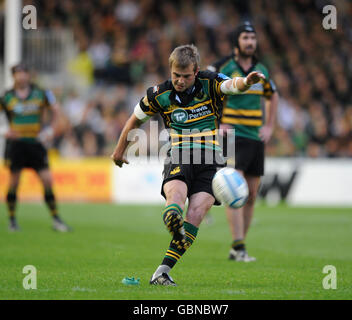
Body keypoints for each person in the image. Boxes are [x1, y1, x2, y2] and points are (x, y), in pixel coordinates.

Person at [111, 44, 265, 285]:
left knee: (195, 215)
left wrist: (246, 82)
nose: (180, 81)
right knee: (176, 197)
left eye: (185, 76)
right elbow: (134, 120)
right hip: (180, 153)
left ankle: (161, 272)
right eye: (175, 75)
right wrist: (119, 151)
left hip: (211, 160)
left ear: (196, 71)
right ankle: (172, 214)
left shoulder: (210, 82)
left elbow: (231, 86)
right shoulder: (158, 94)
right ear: (170, 71)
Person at [208, 22, 278, 262]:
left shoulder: (262, 69)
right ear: (236, 41)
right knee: (233, 188)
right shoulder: (222, 66)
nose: (250, 42)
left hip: (255, 136)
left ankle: (239, 246)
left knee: (250, 195)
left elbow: (272, 95)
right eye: (246, 37)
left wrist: (269, 126)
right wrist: (218, 123)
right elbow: (206, 92)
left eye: (253, 37)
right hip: (233, 136)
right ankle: (238, 247)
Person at [0, 63, 71, 232]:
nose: (22, 76)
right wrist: (3, 131)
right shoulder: (7, 96)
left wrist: (51, 130)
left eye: (24, 73)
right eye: (18, 73)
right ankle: (12, 220)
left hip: (35, 143)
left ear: (28, 75)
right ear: (14, 76)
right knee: (14, 182)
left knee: (47, 180)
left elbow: (56, 110)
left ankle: (56, 219)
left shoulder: (41, 93)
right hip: (16, 145)